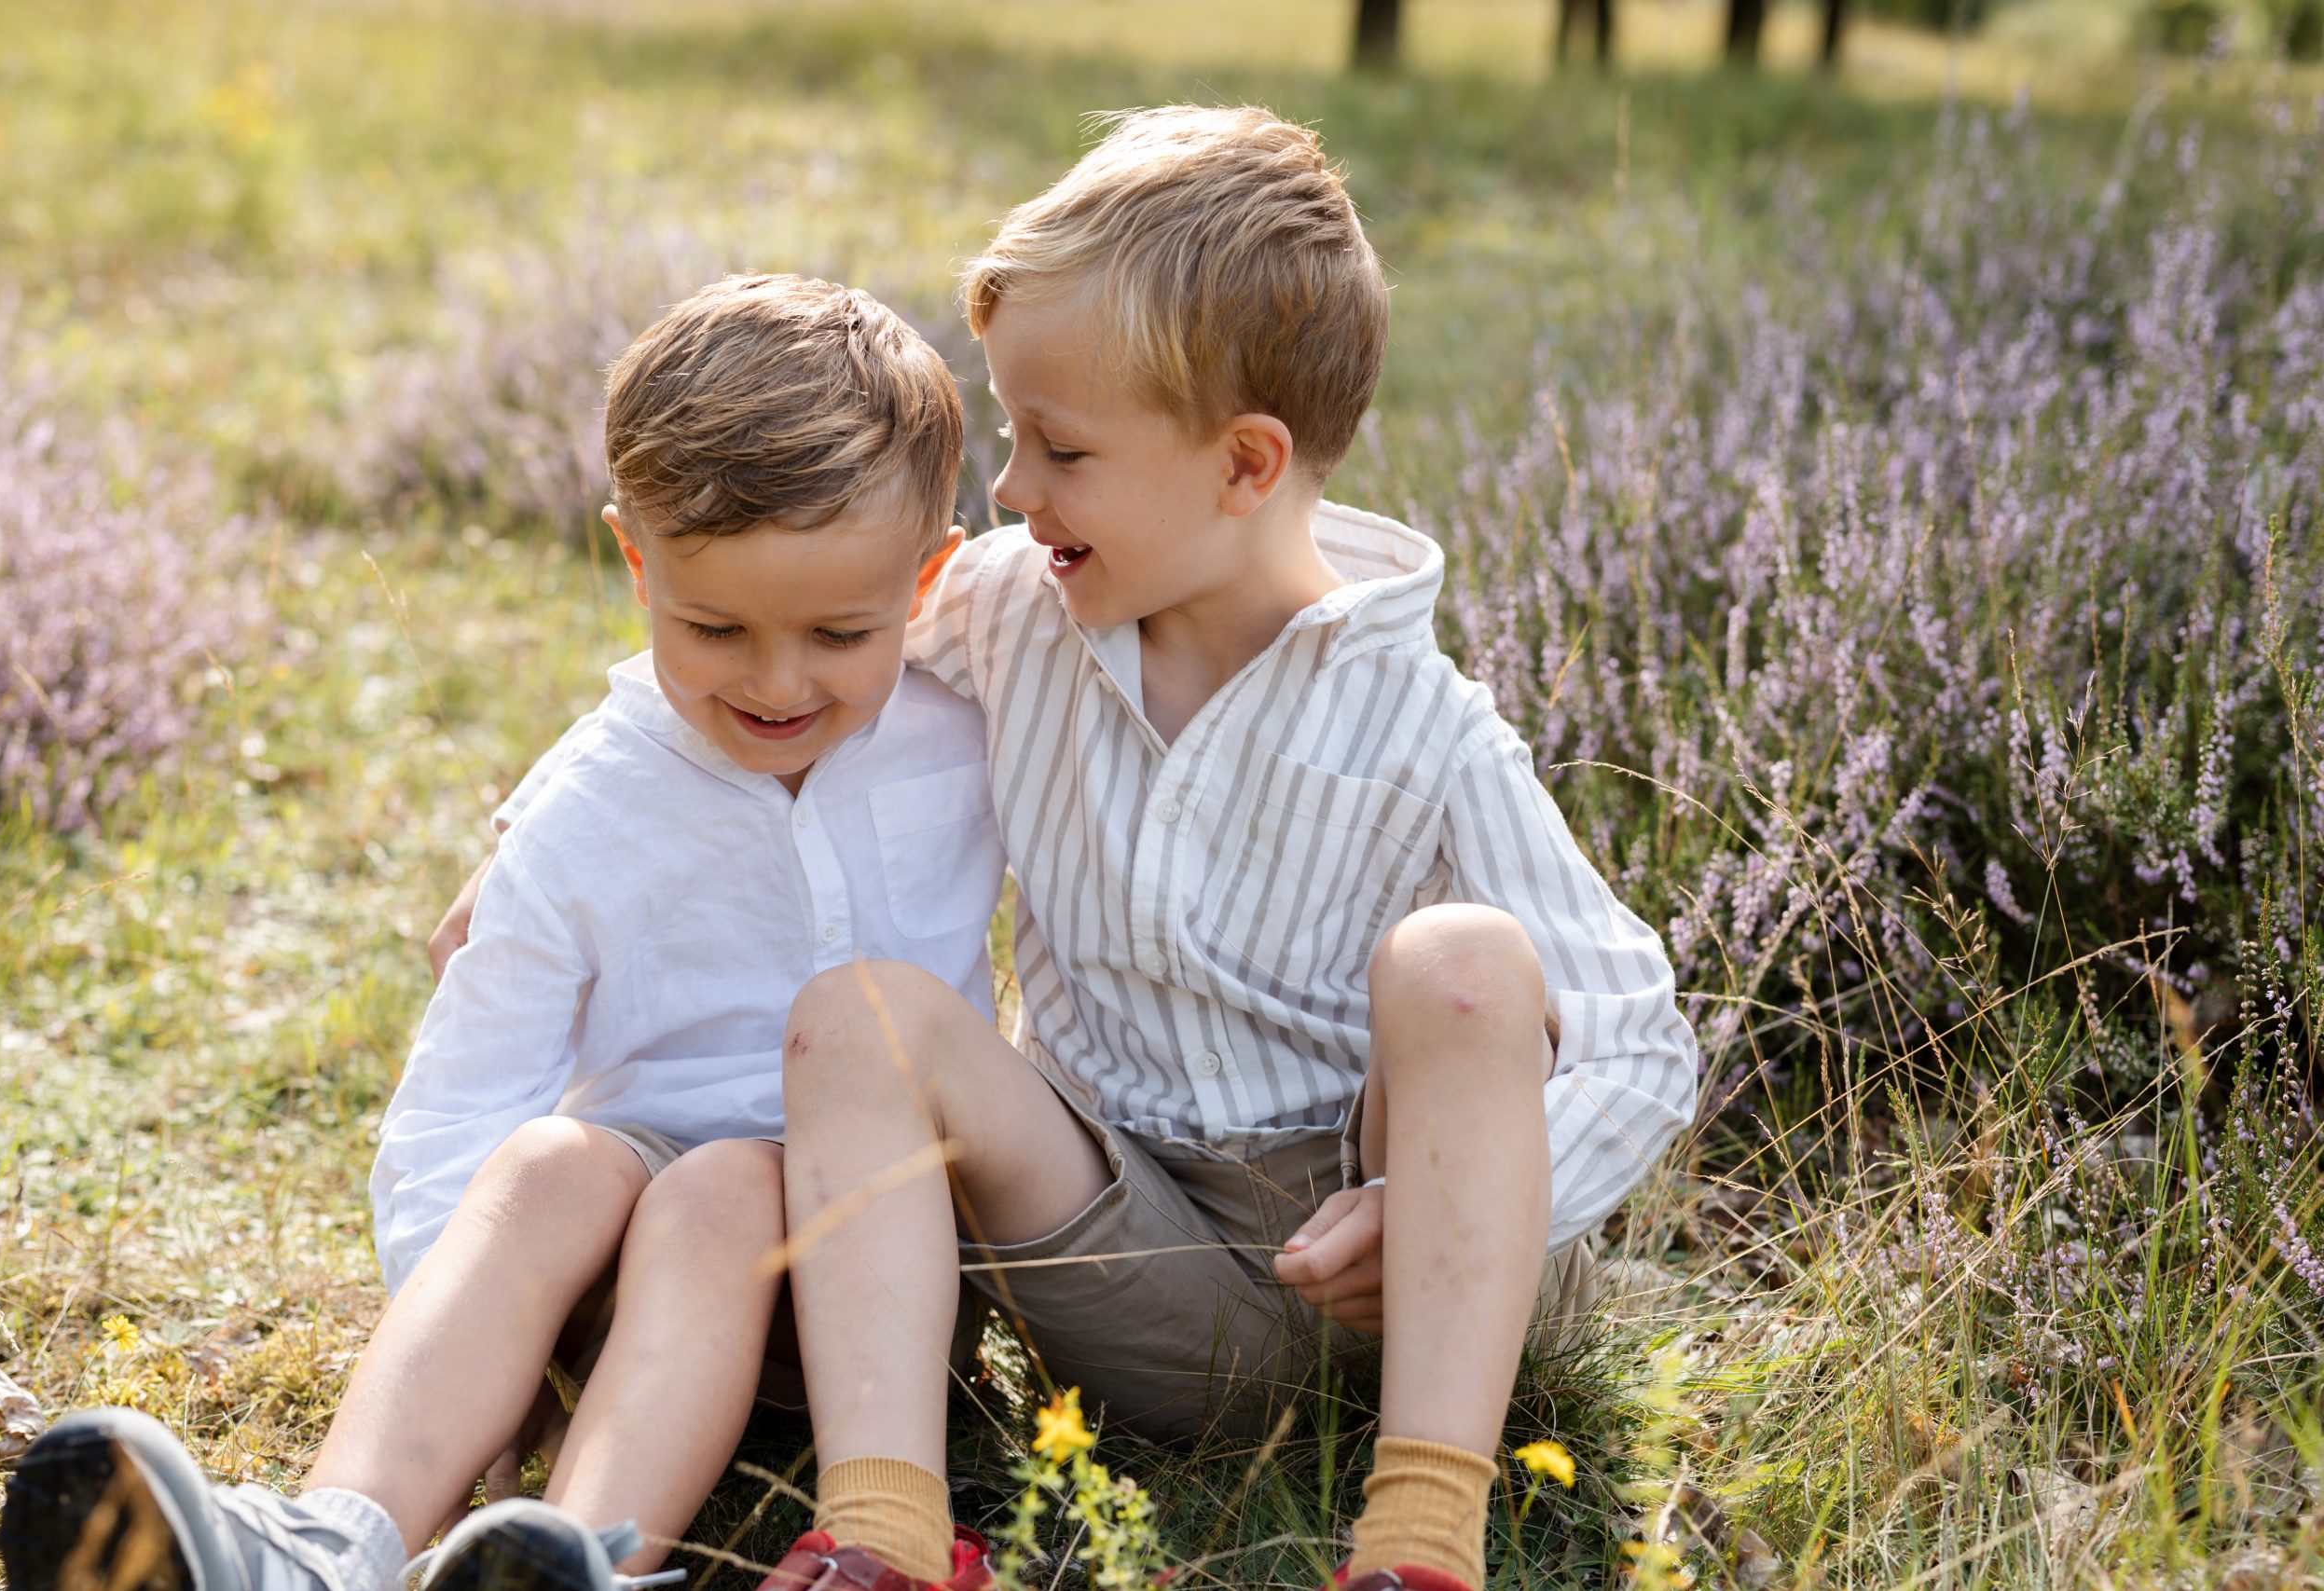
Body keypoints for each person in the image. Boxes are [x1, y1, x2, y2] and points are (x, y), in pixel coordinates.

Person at [452, 106, 1698, 1591]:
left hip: (1428, 1295)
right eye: (1010, 434)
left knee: (1463, 962)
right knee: (857, 1017)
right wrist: (538, 831)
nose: (1010, 488)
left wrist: (1450, 1207)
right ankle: (887, 1534)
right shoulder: (1010, 609)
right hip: (1132, 1263)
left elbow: (1638, 1036)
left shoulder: (1425, 723)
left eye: (1060, 447)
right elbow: (775, 644)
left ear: (1246, 465)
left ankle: (1422, 1539)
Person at [0, 274, 1004, 1591]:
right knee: (545, 1162)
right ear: (635, 563)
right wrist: (484, 1342)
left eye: (838, 632)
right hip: (620, 1290)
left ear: (927, 578)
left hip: (884, 1278)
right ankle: (335, 1539)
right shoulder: (589, 809)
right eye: (714, 628)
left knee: (722, 1185)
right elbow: (461, 1098)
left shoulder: (968, 730)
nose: (778, 681)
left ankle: (584, 1556)